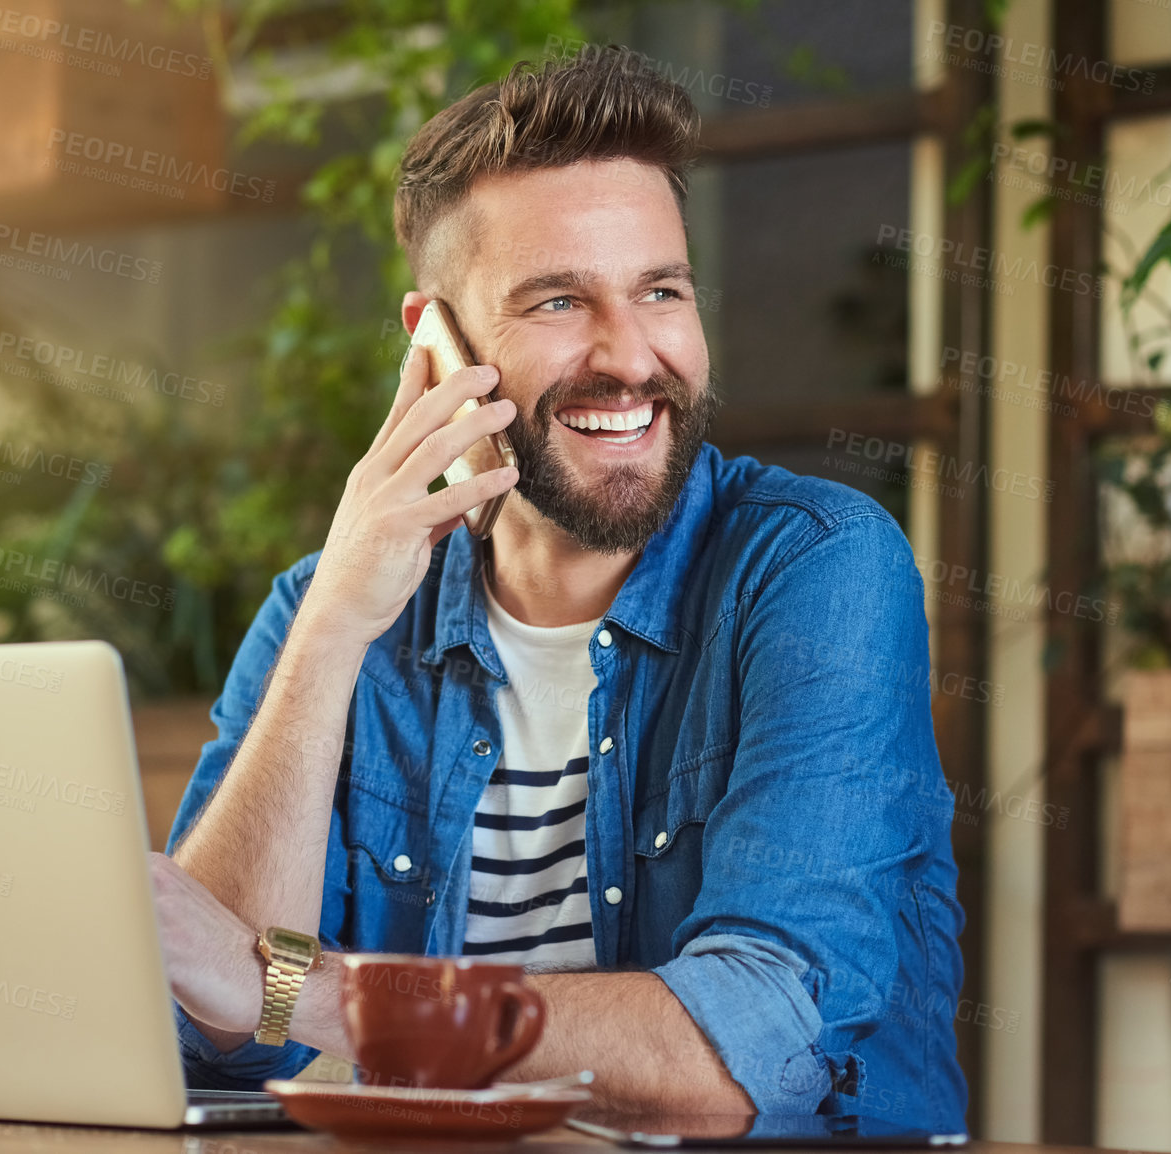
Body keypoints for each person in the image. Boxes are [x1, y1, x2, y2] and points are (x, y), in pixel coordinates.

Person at [146, 44, 966, 1130]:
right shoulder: (326, 606)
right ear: (435, 347)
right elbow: (221, 1037)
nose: (630, 356)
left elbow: (748, 1044)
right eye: (557, 302)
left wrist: (315, 994)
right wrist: (336, 625)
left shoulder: (815, 565)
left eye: (660, 291)